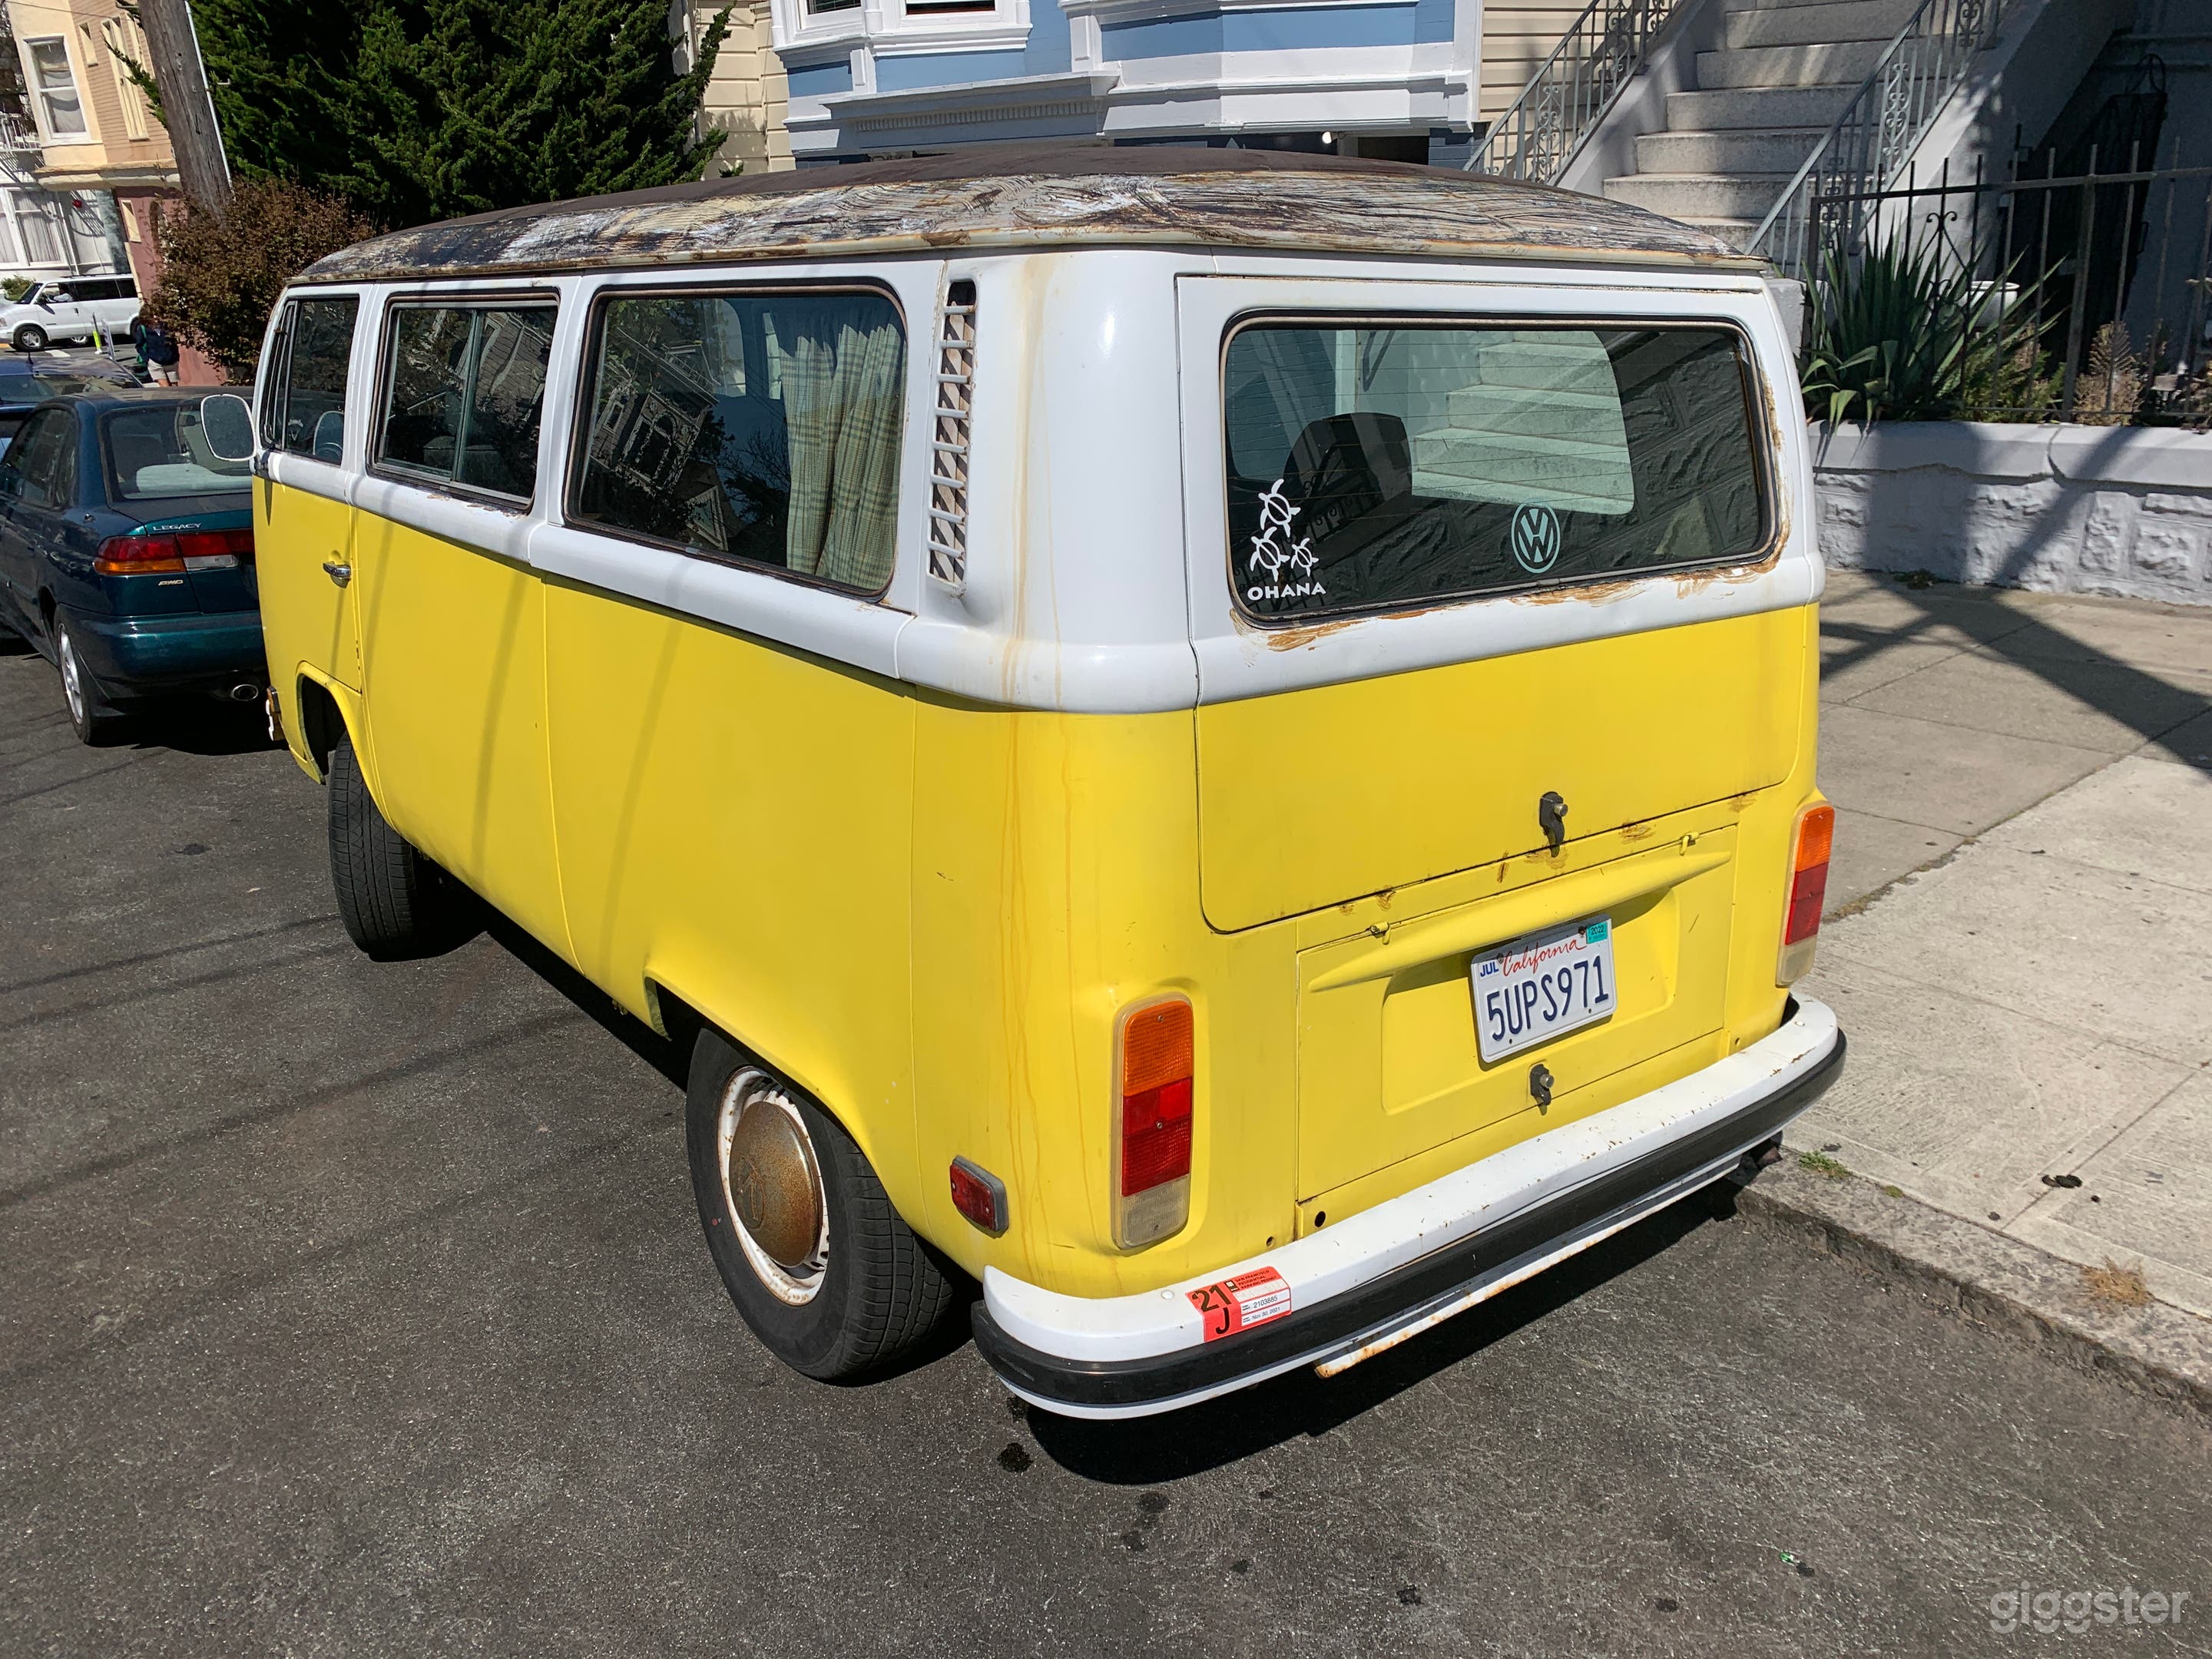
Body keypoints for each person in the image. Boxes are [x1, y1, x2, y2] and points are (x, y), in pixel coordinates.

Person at [132, 315, 181, 386]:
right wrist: (147, 359)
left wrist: (176, 357)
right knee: (165, 388)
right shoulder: (143, 329)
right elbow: (139, 346)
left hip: (171, 362)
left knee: (174, 388)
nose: (156, 320)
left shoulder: (167, 328)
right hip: (155, 363)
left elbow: (174, 343)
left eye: (158, 318)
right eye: (154, 318)